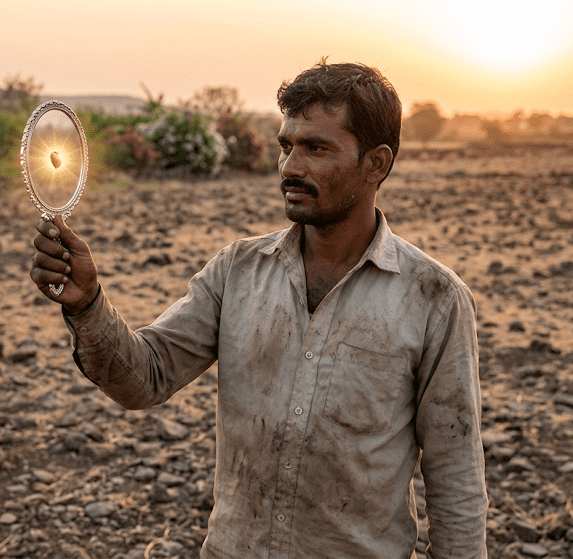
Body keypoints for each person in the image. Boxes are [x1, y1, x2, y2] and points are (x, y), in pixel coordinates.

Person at [30, 60, 487, 558]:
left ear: (376, 164)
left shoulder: (434, 299)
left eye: (316, 148)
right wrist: (88, 305)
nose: (291, 167)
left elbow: (456, 483)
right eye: (286, 146)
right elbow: (146, 377)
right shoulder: (238, 270)